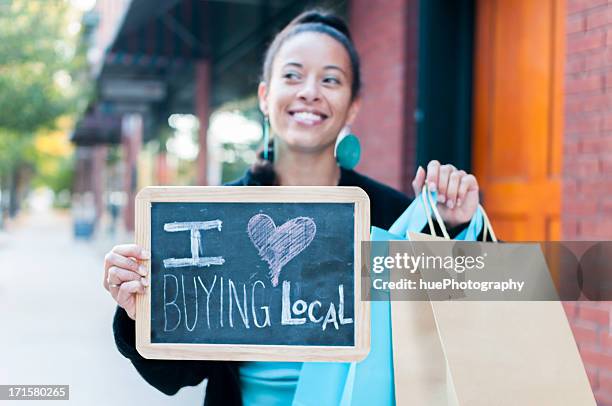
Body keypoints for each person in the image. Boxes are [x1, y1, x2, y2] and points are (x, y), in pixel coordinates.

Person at [103, 9, 483, 406]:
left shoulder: (391, 217)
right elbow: (177, 375)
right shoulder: (214, 218)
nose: (309, 92)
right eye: (293, 75)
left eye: (331, 80)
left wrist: (457, 230)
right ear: (265, 96)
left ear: (353, 106)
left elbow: (465, 337)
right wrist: (138, 311)